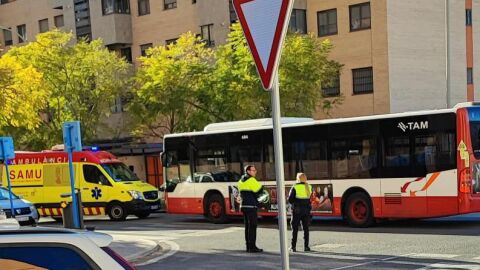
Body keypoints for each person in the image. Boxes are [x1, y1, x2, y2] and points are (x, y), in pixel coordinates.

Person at [238, 165, 264, 253]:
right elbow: (260, 190)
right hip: (251, 206)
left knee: (247, 227)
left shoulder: (240, 180)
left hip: (244, 206)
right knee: (253, 226)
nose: (255, 172)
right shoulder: (251, 180)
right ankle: (252, 247)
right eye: (253, 170)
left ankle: (248, 246)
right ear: (248, 171)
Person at [288, 172, 312, 252]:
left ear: (298, 179)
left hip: (297, 210)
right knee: (306, 229)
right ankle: (306, 247)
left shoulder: (295, 187)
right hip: (306, 210)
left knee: (295, 229)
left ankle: (293, 247)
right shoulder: (309, 187)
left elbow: (290, 200)